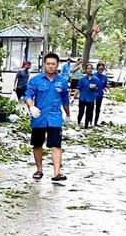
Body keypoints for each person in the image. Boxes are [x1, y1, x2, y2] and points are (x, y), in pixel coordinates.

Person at [24, 52, 71, 183]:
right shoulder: (35, 80)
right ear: (44, 65)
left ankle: (57, 173)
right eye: (48, 64)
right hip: (39, 117)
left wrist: (68, 114)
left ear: (57, 65)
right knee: (37, 144)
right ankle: (39, 169)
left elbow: (65, 99)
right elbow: (28, 95)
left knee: (56, 145)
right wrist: (31, 107)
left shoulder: (62, 81)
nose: (50, 66)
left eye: (53, 64)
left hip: (55, 117)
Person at [75, 64, 101, 128]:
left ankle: (86, 125)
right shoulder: (82, 78)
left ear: (92, 69)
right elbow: (79, 88)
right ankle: (78, 124)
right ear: (85, 70)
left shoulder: (96, 79)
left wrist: (95, 87)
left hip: (91, 98)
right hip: (82, 98)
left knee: (89, 112)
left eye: (91, 68)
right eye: (88, 68)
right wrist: (75, 95)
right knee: (81, 111)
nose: (89, 70)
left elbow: (98, 88)